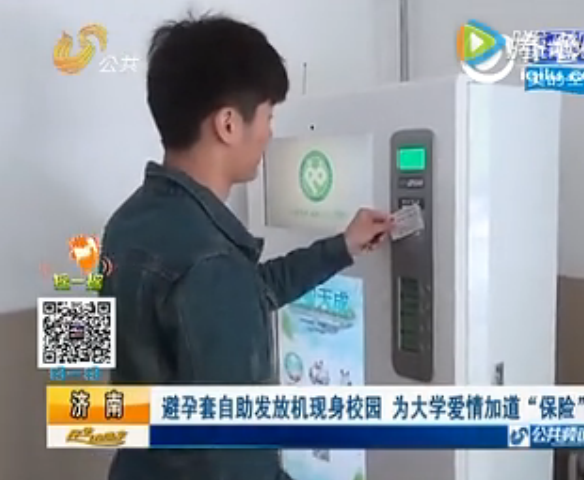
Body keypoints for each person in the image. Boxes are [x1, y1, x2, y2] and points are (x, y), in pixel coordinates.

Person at [100, 13, 392, 480]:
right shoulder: (210, 262)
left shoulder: (127, 223)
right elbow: (236, 460)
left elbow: (248, 291)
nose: (271, 132)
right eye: (269, 115)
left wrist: (342, 246)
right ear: (229, 124)